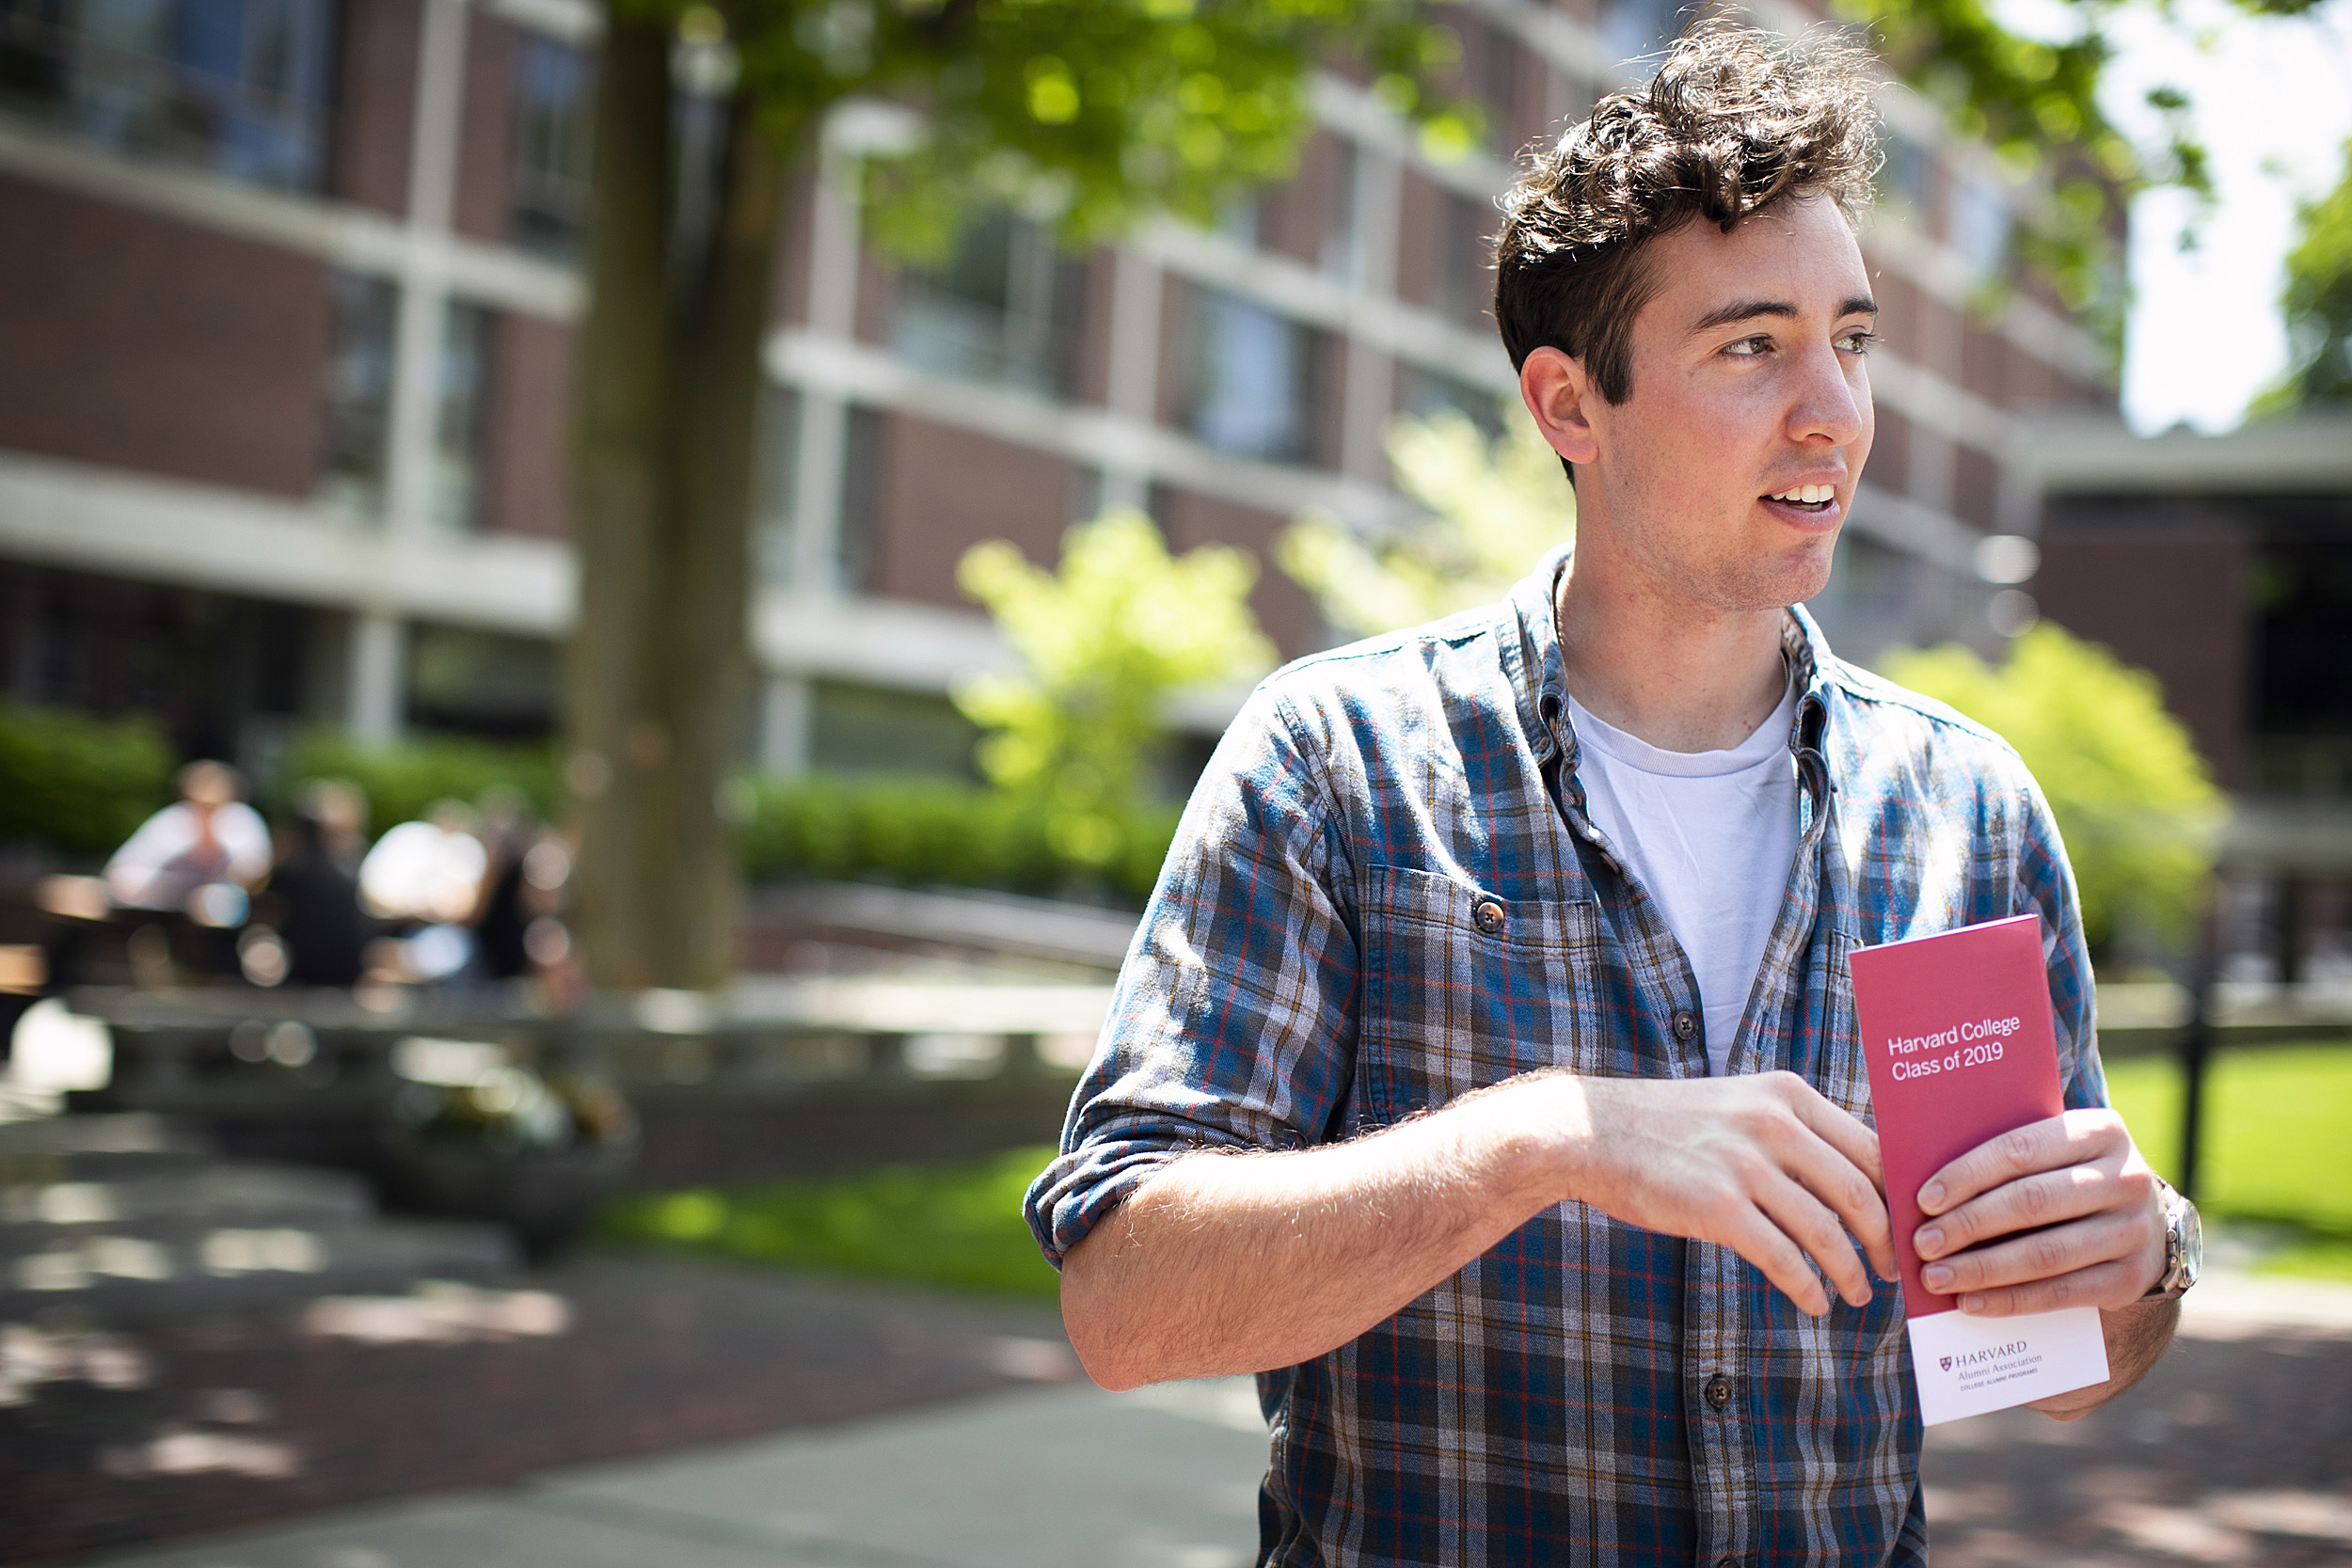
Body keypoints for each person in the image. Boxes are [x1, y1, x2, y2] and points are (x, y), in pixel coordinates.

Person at [1025, 24, 2194, 1565]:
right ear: (1570, 406)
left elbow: (2057, 1360)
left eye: (1851, 338)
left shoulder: (1969, 808)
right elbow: (1123, 1300)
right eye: (1751, 346)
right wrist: (1542, 1139)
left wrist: (2138, 1269)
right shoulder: (1336, 762)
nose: (1833, 411)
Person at [103, 760, 272, 912]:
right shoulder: (172, 820)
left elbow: (256, 876)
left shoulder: (243, 820)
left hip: (226, 911)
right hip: (163, 909)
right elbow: (121, 872)